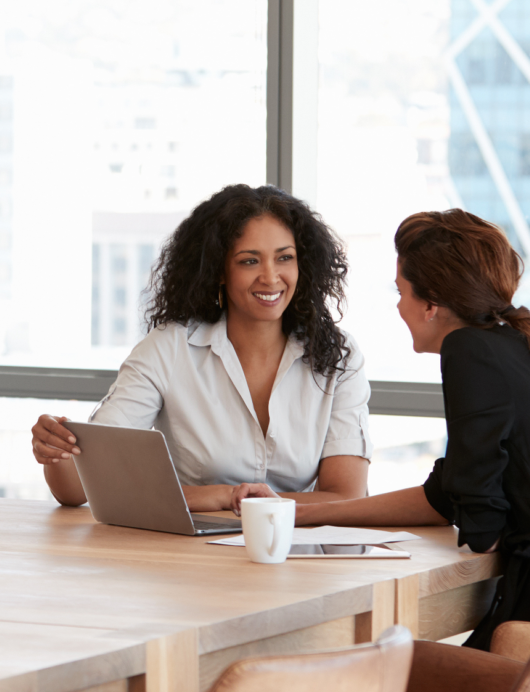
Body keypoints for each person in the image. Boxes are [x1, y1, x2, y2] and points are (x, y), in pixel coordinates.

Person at [243, 209, 530, 650]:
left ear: (431, 306)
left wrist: (477, 505)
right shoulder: (514, 345)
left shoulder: (469, 350)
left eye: (401, 291)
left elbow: (481, 526)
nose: (398, 305)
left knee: (388, 673)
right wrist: (298, 510)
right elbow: (447, 495)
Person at [30, 184, 372, 511]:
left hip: (296, 554)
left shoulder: (338, 357)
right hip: (188, 556)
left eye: (284, 258)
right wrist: (55, 448)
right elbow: (78, 487)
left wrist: (241, 503)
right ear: (219, 270)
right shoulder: (169, 349)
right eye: (249, 261)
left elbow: (346, 496)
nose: (270, 277)